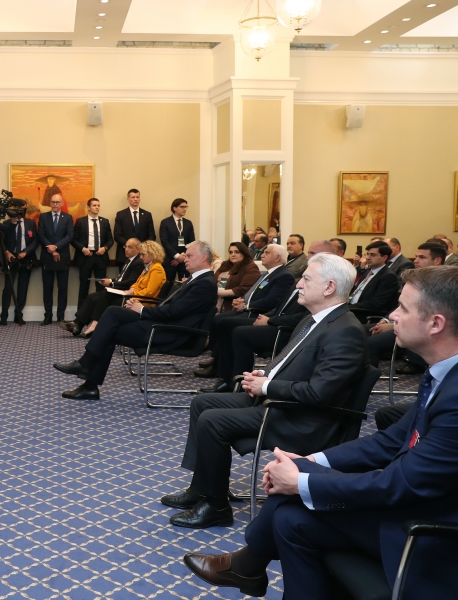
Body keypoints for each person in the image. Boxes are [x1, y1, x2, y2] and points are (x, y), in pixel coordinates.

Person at [184, 265, 458, 599]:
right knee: (289, 516)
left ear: (436, 324)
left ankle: (246, 565)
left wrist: (301, 481)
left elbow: (401, 483)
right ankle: (246, 565)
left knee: (291, 509)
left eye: (403, 308)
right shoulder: (442, 374)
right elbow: (390, 441)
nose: (392, 315)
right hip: (412, 504)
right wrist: (312, 461)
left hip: (430, 533)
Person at [162, 253, 367, 529]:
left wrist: (268, 386)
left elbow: (320, 393)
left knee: (212, 420)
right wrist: (264, 375)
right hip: (282, 403)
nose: (298, 284)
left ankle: (216, 507)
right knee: (202, 402)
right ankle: (202, 488)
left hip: (305, 418)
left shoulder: (345, 331)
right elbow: (292, 363)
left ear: (329, 287)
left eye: (306, 279)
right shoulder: (315, 320)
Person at [54, 240, 217, 400]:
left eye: (189, 256)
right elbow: (173, 309)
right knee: (113, 312)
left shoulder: (205, 283)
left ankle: (88, 380)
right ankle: (85, 370)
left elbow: (174, 312)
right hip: (162, 324)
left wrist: (143, 310)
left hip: (169, 332)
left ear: (203, 257)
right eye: (186, 255)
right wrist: (141, 308)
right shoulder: (197, 279)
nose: (184, 259)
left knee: (108, 331)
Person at [218, 241, 337, 392]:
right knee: (226, 324)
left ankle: (237, 385)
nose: (307, 257)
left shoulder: (321, 285)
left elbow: (303, 317)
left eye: (312, 254)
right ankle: (226, 377)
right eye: (309, 253)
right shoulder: (302, 279)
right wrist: (265, 316)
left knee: (239, 333)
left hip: (288, 331)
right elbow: (280, 306)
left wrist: (271, 320)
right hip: (278, 322)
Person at [195, 243, 294, 387]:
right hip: (249, 309)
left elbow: (272, 301)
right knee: (217, 320)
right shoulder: (268, 274)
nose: (262, 255)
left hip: (259, 313)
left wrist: (247, 306)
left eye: (266, 253)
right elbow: (253, 293)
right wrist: (242, 301)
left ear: (277, 257)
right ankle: (218, 362)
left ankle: (224, 372)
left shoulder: (284, 276)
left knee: (225, 323)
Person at [365, 241, 444, 379]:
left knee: (371, 343)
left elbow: (431, 315)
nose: (416, 261)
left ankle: (368, 382)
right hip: (405, 322)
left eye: (422, 257)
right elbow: (402, 306)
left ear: (437, 260)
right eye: (416, 256)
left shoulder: (444, 283)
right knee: (359, 330)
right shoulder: (417, 278)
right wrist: (385, 320)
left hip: (424, 329)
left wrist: (393, 325)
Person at [61, 237, 143, 337]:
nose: (126, 249)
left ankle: (94, 325)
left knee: (103, 295)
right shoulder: (129, 260)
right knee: (92, 297)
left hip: (126, 293)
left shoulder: (138, 262)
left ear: (138, 249)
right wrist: (110, 280)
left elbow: (131, 282)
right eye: (125, 247)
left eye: (130, 247)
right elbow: (121, 278)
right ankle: (77, 324)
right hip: (119, 289)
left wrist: (111, 284)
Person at [71, 198, 113, 311]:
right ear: (88, 207)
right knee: (84, 286)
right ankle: (81, 314)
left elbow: (110, 240)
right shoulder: (81, 221)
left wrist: (105, 248)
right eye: (94, 205)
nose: (97, 207)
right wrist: (83, 249)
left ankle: (99, 313)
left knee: (101, 287)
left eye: (98, 205)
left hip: (100, 257)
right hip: (85, 257)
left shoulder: (105, 222)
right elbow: (73, 240)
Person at [38, 194, 74, 325]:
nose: (55, 204)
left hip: (63, 256)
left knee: (62, 288)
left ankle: (60, 316)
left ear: (62, 203)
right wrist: (52, 249)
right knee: (47, 288)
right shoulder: (43, 217)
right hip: (47, 255)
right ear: (50, 203)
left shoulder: (68, 218)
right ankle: (48, 316)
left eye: (57, 202)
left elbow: (70, 236)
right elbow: (40, 235)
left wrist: (56, 247)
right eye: (53, 202)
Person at [0, 211, 38, 326]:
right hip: (11, 258)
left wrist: (26, 252)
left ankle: (18, 315)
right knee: (8, 288)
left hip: (26, 258)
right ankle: (4, 316)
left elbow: (35, 240)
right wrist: (7, 252)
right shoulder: (6, 223)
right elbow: (1, 241)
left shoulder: (30, 223)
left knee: (22, 288)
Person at [348, 241, 400, 315]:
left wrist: (348, 308)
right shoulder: (368, 272)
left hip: (363, 313)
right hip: (351, 308)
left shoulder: (389, 276)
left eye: (372, 255)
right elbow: (354, 291)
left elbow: (376, 303)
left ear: (384, 257)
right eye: (368, 254)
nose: (368, 258)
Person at [211, 242, 261, 314]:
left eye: (237, 252)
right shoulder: (225, 264)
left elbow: (244, 289)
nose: (233, 254)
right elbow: (213, 279)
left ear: (244, 253)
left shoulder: (250, 267)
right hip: (215, 300)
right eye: (230, 252)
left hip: (232, 304)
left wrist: (219, 292)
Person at [112, 189, 155, 268]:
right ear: (128, 199)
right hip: (125, 255)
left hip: (143, 255)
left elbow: (152, 235)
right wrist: (130, 247)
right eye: (133, 197)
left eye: (137, 197)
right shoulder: (121, 214)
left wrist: (142, 247)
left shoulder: (147, 215)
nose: (135, 199)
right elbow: (117, 235)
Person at [159, 198, 195, 282]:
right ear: (174, 208)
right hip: (170, 259)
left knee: (184, 283)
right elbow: (164, 241)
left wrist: (182, 256)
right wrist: (177, 256)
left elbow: (192, 242)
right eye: (182, 207)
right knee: (168, 283)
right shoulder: (165, 222)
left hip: (185, 259)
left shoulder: (188, 223)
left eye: (186, 207)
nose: (185, 209)